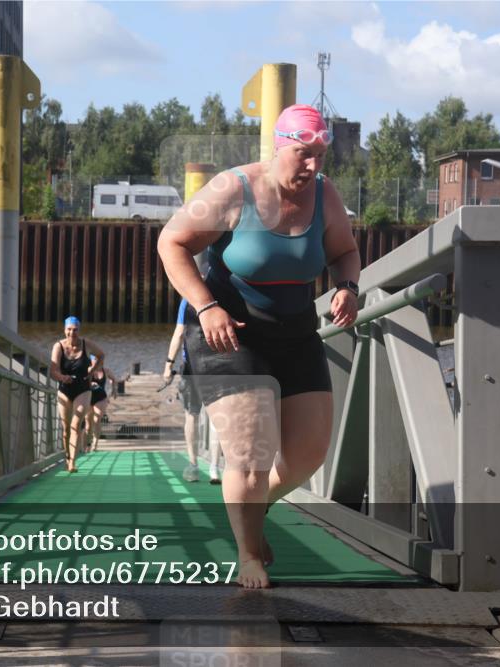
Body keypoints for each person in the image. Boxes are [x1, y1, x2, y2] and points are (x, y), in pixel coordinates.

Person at [157, 104, 361, 588]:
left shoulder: (325, 194)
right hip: (229, 333)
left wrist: (348, 287)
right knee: (250, 456)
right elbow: (172, 242)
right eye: (303, 154)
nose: (312, 165)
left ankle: (252, 508)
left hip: (296, 334)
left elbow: (345, 251)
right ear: (278, 146)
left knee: (308, 454)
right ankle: (249, 555)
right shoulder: (234, 189)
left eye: (320, 156)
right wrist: (206, 306)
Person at [163, 297, 222, 484]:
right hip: (217, 364)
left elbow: (179, 332)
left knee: (191, 415)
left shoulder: (188, 299)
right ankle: (214, 467)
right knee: (217, 418)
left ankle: (193, 465)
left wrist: (168, 365)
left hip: (192, 365)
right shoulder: (221, 293)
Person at [49, 317, 104, 472]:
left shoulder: (86, 344)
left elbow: (101, 355)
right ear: (64, 330)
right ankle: (67, 457)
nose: (72, 333)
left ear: (79, 330)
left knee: (76, 424)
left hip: (83, 389)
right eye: (69, 329)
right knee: (66, 428)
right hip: (65, 389)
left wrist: (92, 371)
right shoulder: (58, 346)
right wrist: (62, 377)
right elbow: (53, 370)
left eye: (75, 329)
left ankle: (73, 462)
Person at [84, 355, 119, 452]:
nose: (96, 361)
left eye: (98, 359)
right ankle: (88, 444)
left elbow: (113, 379)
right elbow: (81, 381)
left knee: (97, 420)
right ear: (91, 361)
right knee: (88, 423)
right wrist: (90, 384)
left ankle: (95, 444)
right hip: (88, 397)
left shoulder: (106, 371)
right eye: (94, 359)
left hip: (101, 398)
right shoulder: (88, 370)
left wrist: (114, 390)